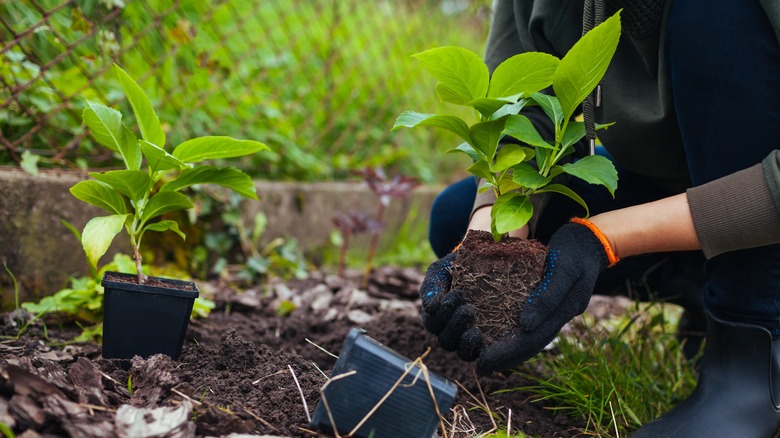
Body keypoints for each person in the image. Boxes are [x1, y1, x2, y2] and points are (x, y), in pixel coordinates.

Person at [420, 0, 780, 435]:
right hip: (672, 185)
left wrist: (604, 238)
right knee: (457, 216)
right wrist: (489, 245)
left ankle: (755, 344)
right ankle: (706, 287)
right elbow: (526, 110)